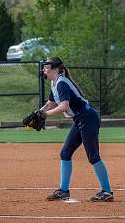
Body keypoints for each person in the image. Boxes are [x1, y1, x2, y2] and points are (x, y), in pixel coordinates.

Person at [40, 57, 113, 202]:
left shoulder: (61, 83)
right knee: (65, 153)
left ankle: (107, 191)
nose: (44, 69)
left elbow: (64, 106)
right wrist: (38, 113)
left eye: (47, 67)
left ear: (55, 69)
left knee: (93, 155)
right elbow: (50, 104)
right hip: (80, 119)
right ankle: (63, 190)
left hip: (88, 118)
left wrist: (45, 115)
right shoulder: (55, 83)